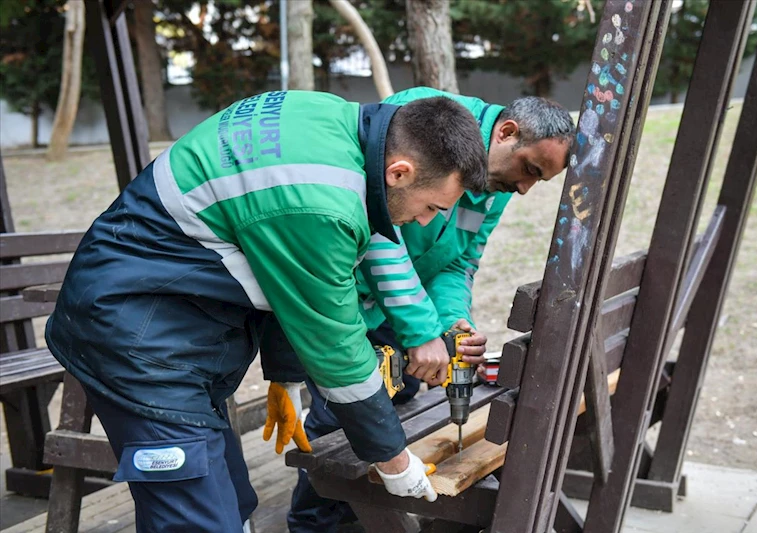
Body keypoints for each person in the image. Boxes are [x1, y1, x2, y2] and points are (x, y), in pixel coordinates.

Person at [44, 90, 488, 532]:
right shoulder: (325, 203)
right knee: (197, 521)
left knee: (234, 501)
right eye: (432, 207)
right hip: (133, 336)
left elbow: (282, 272)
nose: (427, 222)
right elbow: (336, 347)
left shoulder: (332, 121)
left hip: (176, 325)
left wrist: (286, 373)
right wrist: (394, 462)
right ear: (399, 172)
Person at [260, 87, 576, 533]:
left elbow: (458, 261)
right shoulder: (426, 123)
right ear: (506, 132)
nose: (524, 189)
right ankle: (313, 524)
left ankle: (361, 515)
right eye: (529, 170)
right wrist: (424, 331)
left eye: (536, 181)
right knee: (341, 420)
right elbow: (380, 237)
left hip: (408, 317)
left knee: (400, 400)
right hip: (345, 303)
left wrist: (451, 322)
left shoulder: (493, 184)